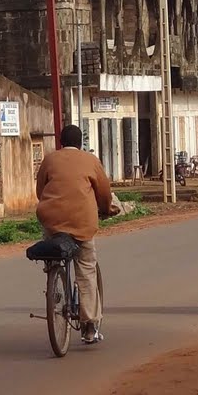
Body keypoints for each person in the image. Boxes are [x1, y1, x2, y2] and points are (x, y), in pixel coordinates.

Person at [36, 123, 118, 343]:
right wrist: (106, 209)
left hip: (52, 221)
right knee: (87, 270)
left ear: (61, 142)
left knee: (53, 251)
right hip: (83, 223)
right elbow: (104, 192)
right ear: (80, 143)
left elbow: (40, 191)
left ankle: (53, 274)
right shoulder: (90, 160)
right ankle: (90, 326)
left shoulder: (50, 159)